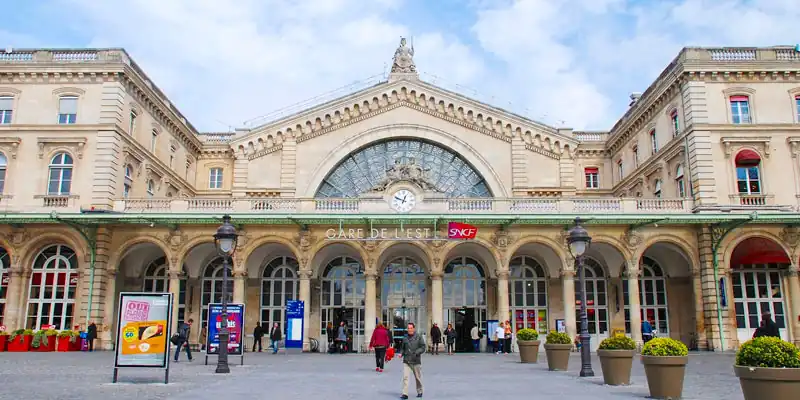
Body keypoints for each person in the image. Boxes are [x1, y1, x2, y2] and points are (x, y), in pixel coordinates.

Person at [400, 322, 426, 399]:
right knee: (405, 377)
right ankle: (405, 394)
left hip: (416, 360)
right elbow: (402, 348)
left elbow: (423, 347)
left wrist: (417, 352)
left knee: (418, 378)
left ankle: (420, 391)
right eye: (408, 328)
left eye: (411, 328)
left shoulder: (419, 336)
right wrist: (401, 353)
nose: (409, 330)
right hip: (407, 360)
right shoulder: (405, 337)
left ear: (414, 329)